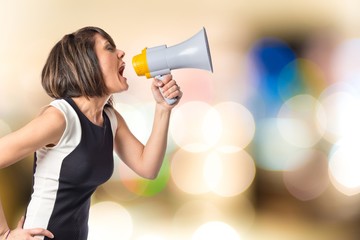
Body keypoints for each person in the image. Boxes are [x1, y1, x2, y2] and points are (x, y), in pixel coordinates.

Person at [0, 26, 182, 240]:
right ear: (86, 64)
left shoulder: (110, 119)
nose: (121, 53)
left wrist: (163, 108)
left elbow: (147, 167)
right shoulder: (60, 118)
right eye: (109, 48)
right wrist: (4, 234)